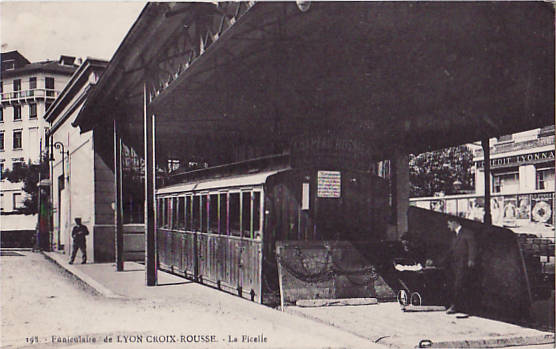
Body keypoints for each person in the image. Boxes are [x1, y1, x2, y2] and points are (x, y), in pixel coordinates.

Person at [444, 217, 477, 315]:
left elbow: (472, 246)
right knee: (455, 284)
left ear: (454, 223)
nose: (448, 226)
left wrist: (471, 259)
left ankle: (456, 306)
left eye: (449, 224)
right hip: (454, 264)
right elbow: (451, 250)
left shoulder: (467, 233)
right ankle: (458, 306)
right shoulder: (454, 236)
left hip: (463, 264)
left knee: (459, 285)